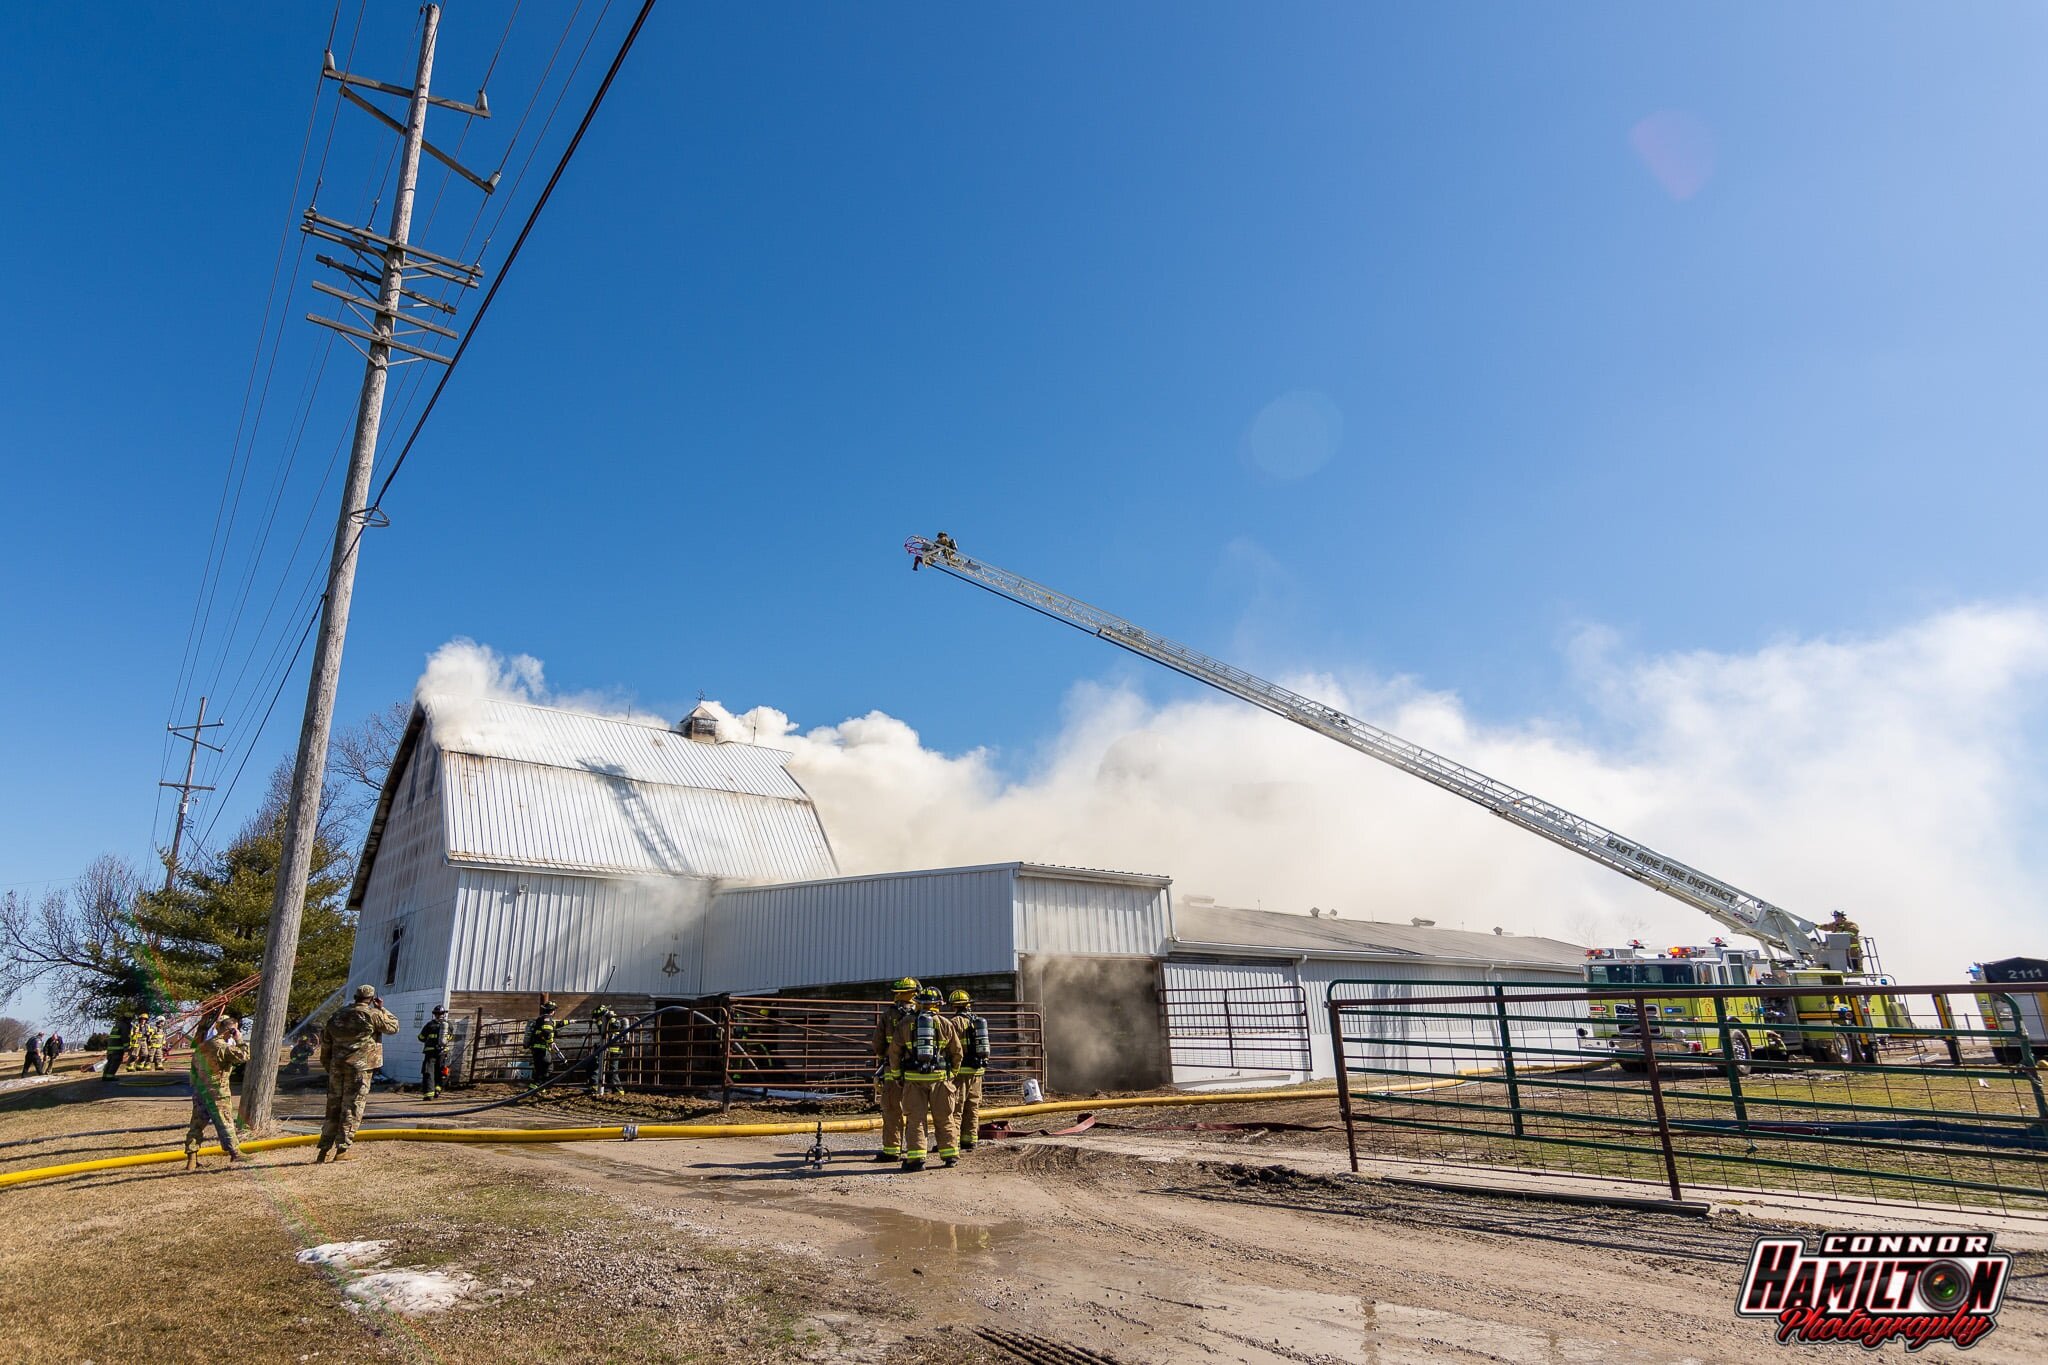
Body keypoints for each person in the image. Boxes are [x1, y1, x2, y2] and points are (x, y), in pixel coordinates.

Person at [316, 985, 399, 1163]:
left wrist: (329, 1066)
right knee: (352, 1107)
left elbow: (326, 1044)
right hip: (359, 1069)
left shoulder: (336, 1015)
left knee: (333, 1107)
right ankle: (342, 1150)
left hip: (337, 1067)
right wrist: (381, 1008)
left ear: (354, 996)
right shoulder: (372, 1015)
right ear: (371, 999)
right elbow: (393, 1027)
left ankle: (323, 1150)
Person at [886, 988, 962, 1171]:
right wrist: (951, 1074)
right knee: (945, 1117)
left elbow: (894, 1053)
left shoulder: (905, 1023)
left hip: (913, 1080)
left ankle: (917, 1158)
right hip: (940, 1079)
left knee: (916, 1119)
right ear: (938, 1004)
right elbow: (957, 1053)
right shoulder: (945, 1024)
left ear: (919, 1002)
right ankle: (950, 1155)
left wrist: (897, 1075)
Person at [184, 1012, 252, 1170]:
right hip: (217, 1093)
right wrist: (239, 1039)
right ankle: (235, 1153)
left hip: (200, 1092)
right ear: (230, 1031)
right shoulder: (223, 1048)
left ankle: (191, 1160)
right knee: (226, 1122)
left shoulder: (202, 1047)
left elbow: (193, 1072)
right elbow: (244, 1056)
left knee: (196, 1124)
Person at [871, 978, 920, 1162]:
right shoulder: (921, 1015)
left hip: (892, 1071)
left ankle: (892, 1150)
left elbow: (877, 1043)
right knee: (916, 1111)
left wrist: (886, 1055)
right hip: (917, 1072)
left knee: (892, 1110)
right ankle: (917, 1149)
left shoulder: (888, 1015)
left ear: (898, 994)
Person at [947, 990, 990, 1156]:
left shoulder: (955, 1022)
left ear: (954, 1006)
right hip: (977, 1071)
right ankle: (970, 1140)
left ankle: (954, 1141)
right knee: (972, 1106)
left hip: (961, 1071)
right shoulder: (977, 1021)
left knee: (956, 1107)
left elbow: (949, 1046)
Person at [590, 1004, 630, 1097]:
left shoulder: (612, 1019)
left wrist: (605, 1018)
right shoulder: (607, 1019)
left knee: (612, 1071)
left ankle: (619, 1091)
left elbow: (615, 1026)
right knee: (601, 1067)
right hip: (608, 1048)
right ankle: (601, 1087)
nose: (597, 1019)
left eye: (598, 1017)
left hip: (614, 1049)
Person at [418, 1005, 450, 1100]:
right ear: (444, 1014)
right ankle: (437, 1089)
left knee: (429, 1072)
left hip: (430, 1053)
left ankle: (428, 1094)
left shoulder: (429, 1025)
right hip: (443, 1053)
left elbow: (421, 1038)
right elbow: (451, 1037)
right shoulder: (449, 1025)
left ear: (434, 1014)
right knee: (442, 1071)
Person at [526, 999, 560, 1086]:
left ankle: (536, 1088)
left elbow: (556, 1024)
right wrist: (551, 1042)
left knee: (539, 1070)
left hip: (536, 1049)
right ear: (553, 1011)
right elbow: (547, 1031)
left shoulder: (542, 1018)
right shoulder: (547, 1018)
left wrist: (571, 1022)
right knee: (548, 1068)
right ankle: (538, 1088)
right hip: (542, 1049)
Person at [103, 1015, 132, 1080]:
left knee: (110, 1061)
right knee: (115, 1062)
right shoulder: (124, 1026)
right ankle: (110, 1076)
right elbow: (125, 1037)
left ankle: (105, 1075)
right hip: (117, 1048)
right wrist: (127, 1047)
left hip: (111, 1047)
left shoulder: (117, 1025)